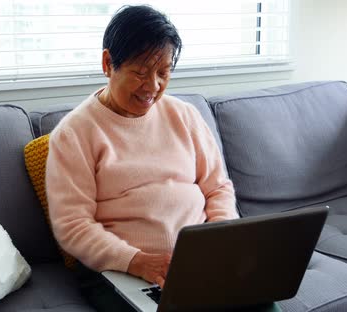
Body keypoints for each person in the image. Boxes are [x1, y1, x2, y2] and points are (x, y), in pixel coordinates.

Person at [46, 5, 241, 311]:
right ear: (108, 63)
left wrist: (220, 237)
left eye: (163, 73)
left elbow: (218, 188)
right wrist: (137, 262)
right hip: (121, 272)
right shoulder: (74, 133)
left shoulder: (185, 115)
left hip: (199, 264)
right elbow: (73, 225)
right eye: (140, 72)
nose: (152, 86)